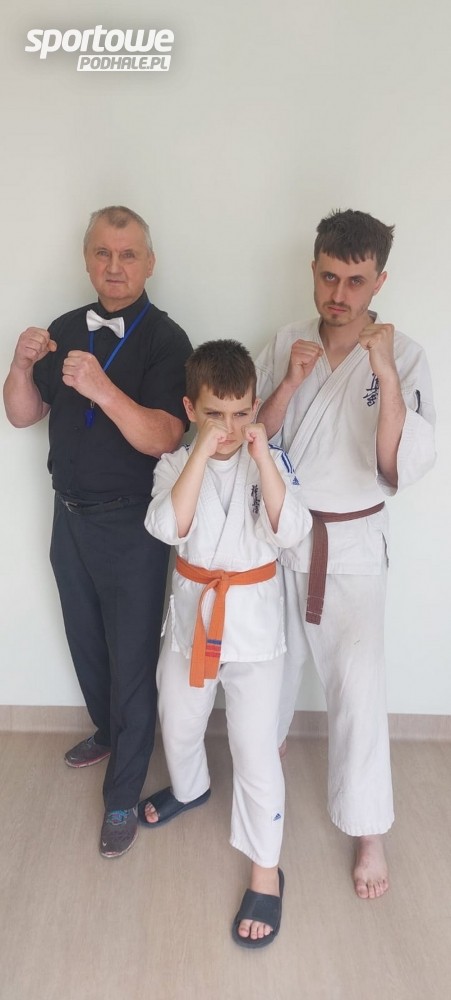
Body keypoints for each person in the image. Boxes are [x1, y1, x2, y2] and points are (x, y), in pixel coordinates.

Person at [255, 209, 436, 900]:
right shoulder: (286, 340)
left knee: (358, 693)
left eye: (356, 281)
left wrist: (384, 374)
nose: (339, 293)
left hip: (353, 544)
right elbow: (254, 437)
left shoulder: (405, 355)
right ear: (313, 268)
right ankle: (260, 785)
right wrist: (288, 383)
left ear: (379, 281)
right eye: (329, 277)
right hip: (281, 535)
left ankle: (368, 831)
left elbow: (393, 465)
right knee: (266, 675)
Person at [3, 205, 192, 858]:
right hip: (69, 516)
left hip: (132, 525)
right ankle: (108, 733)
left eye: (128, 254)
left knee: (132, 660)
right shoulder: (62, 328)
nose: (115, 266)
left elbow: (166, 435)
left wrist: (104, 389)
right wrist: (20, 368)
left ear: (149, 262)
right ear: (87, 259)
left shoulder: (167, 340)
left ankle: (122, 796)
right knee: (86, 641)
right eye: (103, 253)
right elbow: (23, 415)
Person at [137, 339, 312, 947]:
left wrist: (263, 458)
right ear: (191, 409)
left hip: (255, 630)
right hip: (193, 621)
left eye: (241, 413)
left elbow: (292, 532)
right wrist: (199, 453)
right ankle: (191, 789)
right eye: (215, 414)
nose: (230, 428)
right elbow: (168, 527)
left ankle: (266, 869)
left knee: (255, 749)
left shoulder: (272, 459)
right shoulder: (173, 465)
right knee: (179, 721)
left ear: (255, 407)